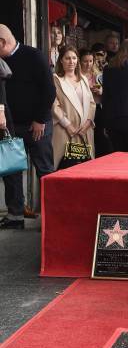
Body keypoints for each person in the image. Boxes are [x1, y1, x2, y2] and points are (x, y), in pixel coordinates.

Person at [0, 24, 55, 230]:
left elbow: (50, 91)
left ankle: (52, 215)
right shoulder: (1, 61)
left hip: (37, 125)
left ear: (2, 42)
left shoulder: (34, 56)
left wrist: (40, 119)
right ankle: (15, 216)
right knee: (11, 172)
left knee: (44, 170)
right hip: (12, 127)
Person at [52, 45, 96, 169]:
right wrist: (68, 125)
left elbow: (92, 104)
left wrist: (87, 123)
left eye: (74, 58)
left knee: (85, 168)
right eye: (67, 58)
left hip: (84, 132)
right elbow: (54, 105)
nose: (71, 61)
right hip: (66, 131)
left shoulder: (83, 79)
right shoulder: (56, 79)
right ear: (61, 60)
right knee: (67, 168)